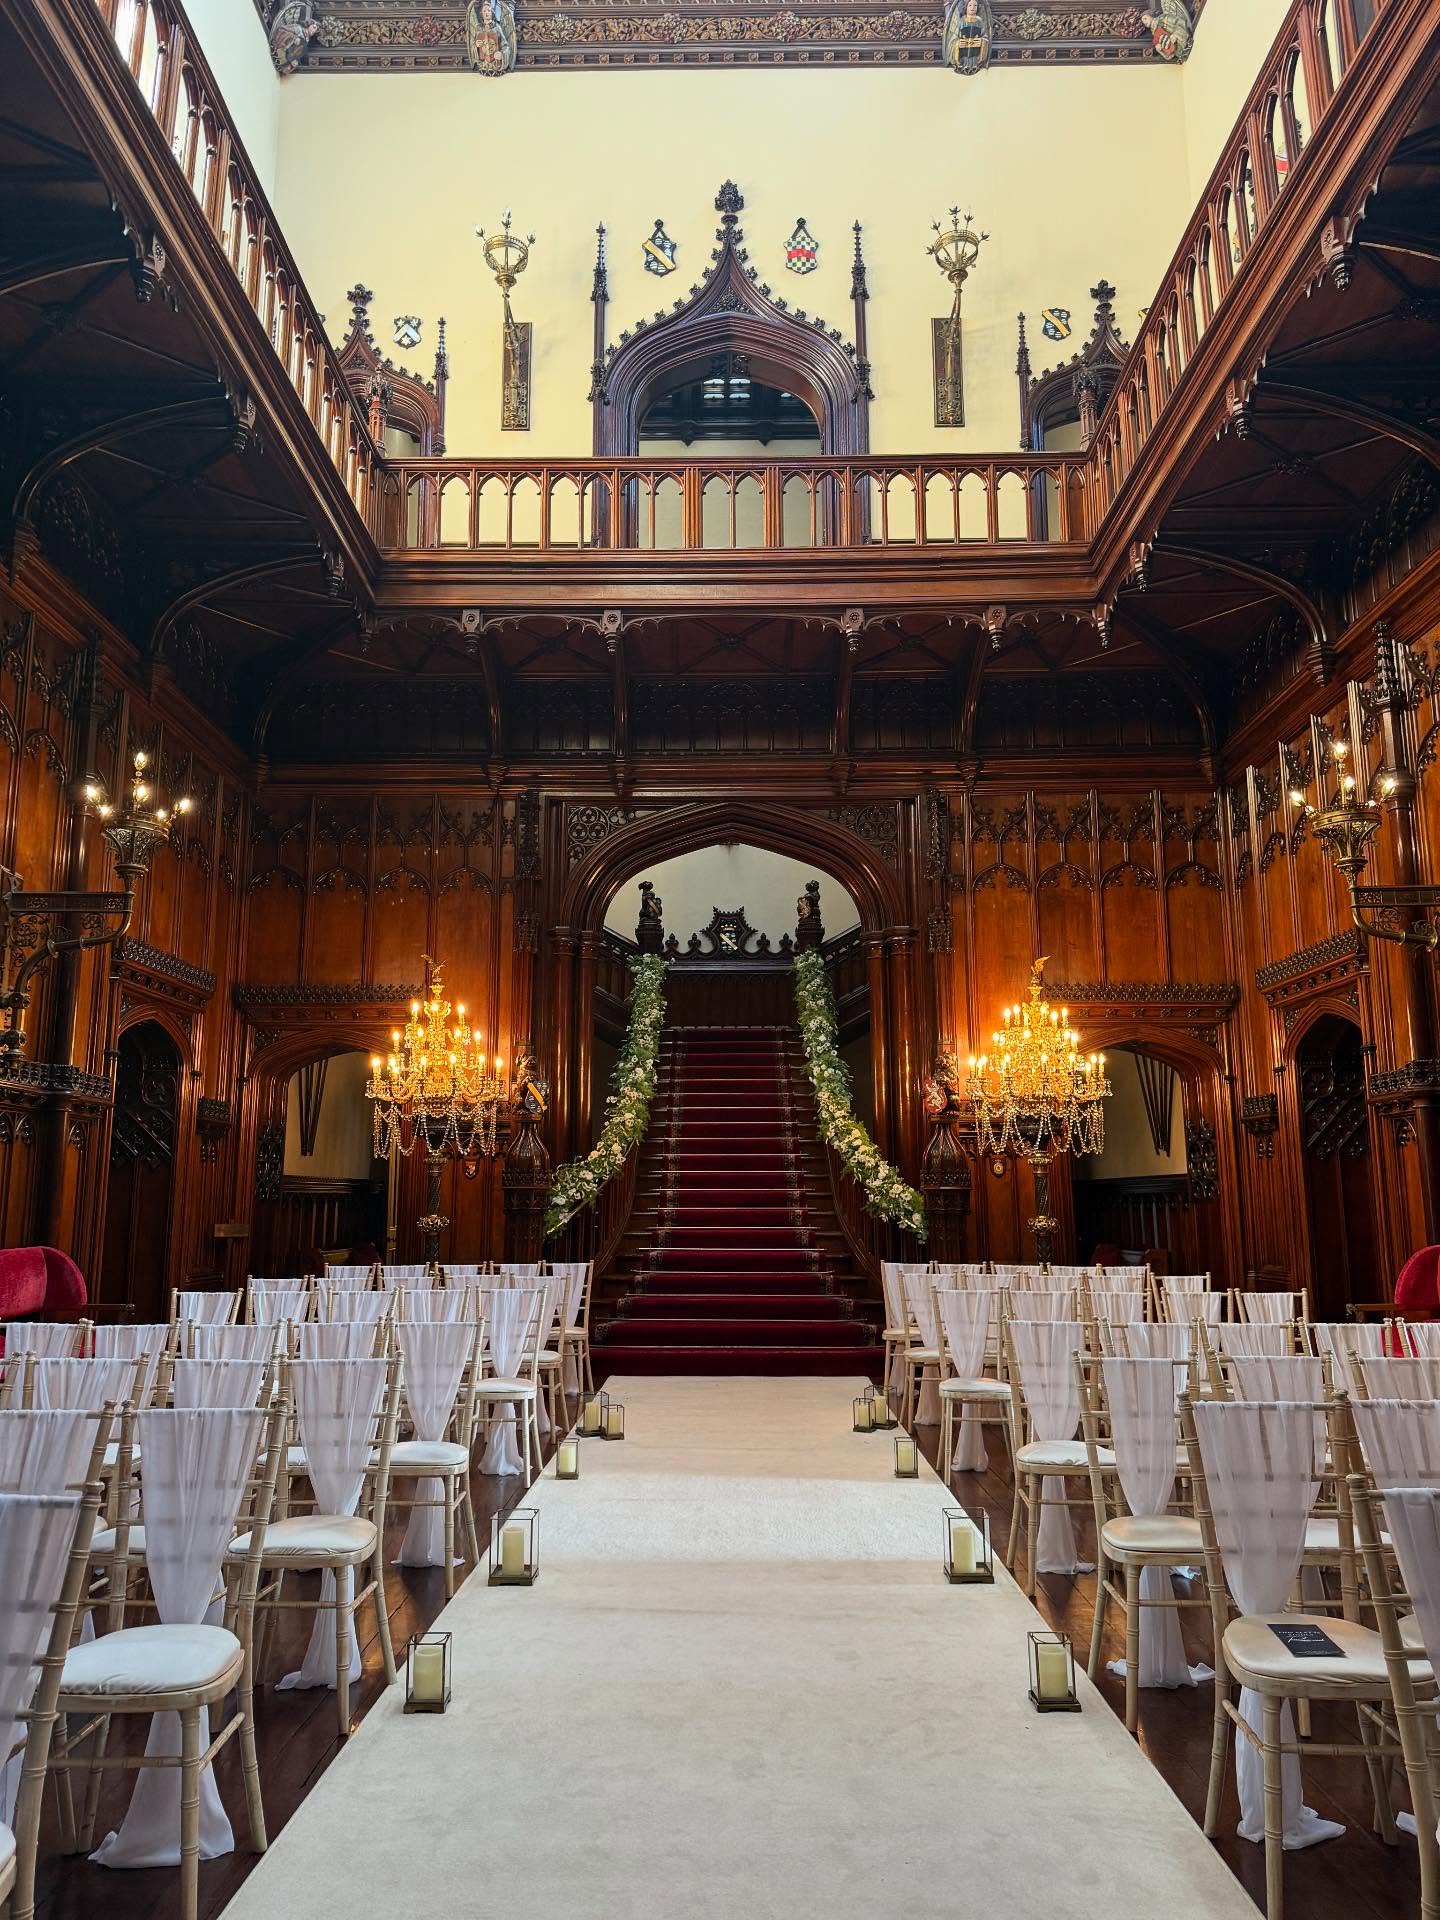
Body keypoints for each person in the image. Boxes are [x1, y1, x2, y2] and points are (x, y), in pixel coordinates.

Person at [942, 0, 992, 76]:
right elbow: (953, 38)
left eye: (975, 5)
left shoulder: (980, 21)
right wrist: (958, 43)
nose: (973, 7)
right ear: (966, 7)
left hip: (975, 56)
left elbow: (985, 36)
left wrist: (982, 42)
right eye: (970, 5)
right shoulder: (961, 21)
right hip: (963, 56)